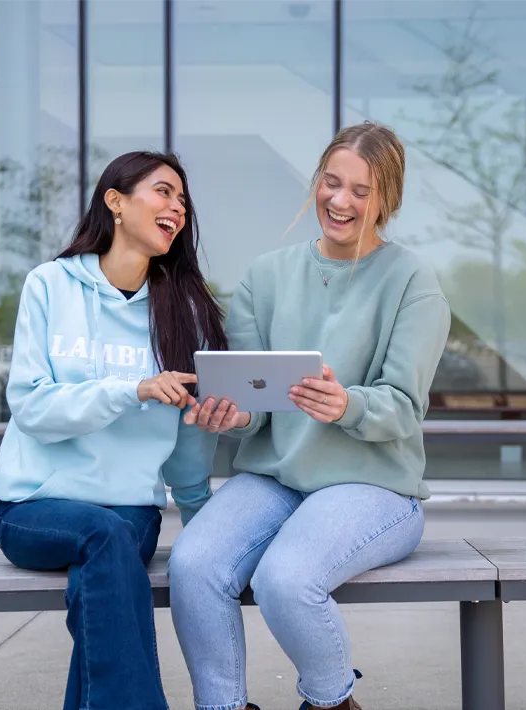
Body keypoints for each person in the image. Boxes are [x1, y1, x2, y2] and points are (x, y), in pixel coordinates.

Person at [168, 122, 451, 710]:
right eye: (331, 183)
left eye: (361, 191)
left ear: (386, 200)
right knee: (193, 563)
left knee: (286, 578)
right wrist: (231, 417)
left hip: (373, 487)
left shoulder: (413, 283)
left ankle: (331, 703)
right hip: (275, 479)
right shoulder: (266, 277)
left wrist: (348, 405)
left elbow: (402, 407)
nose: (340, 201)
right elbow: (254, 408)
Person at [0, 151, 227, 710]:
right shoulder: (50, 285)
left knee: (104, 572)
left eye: (183, 200)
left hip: (129, 515)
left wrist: (209, 535)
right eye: (164, 192)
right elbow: (33, 409)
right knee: (104, 544)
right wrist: (135, 389)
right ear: (115, 202)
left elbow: (190, 450)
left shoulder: (184, 312)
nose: (178, 207)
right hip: (35, 507)